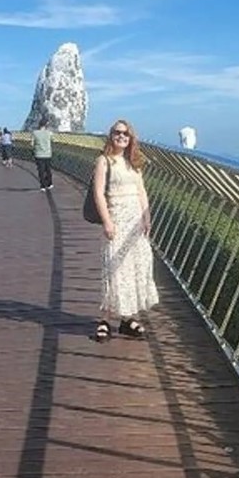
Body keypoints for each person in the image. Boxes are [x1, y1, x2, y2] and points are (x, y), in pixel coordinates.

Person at [91, 119, 158, 342]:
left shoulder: (134, 161)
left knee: (135, 266)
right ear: (111, 135)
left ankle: (127, 319)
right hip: (117, 217)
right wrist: (107, 222)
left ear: (131, 138)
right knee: (114, 268)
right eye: (118, 133)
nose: (121, 136)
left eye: (126, 134)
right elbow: (98, 194)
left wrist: (147, 218)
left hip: (135, 221)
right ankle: (105, 320)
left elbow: (141, 191)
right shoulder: (104, 161)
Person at [30, 117, 53, 190]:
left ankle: (42, 185)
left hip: (38, 154)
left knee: (41, 170)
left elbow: (31, 144)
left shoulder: (34, 133)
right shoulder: (49, 133)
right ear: (46, 125)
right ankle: (49, 183)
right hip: (47, 154)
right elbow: (53, 140)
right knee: (48, 169)